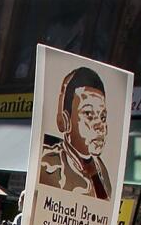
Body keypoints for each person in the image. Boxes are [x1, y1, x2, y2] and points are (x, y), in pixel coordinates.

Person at [38, 66, 112, 200]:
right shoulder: (48, 163)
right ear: (66, 120)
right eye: (88, 114)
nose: (100, 126)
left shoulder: (102, 171)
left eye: (103, 117)